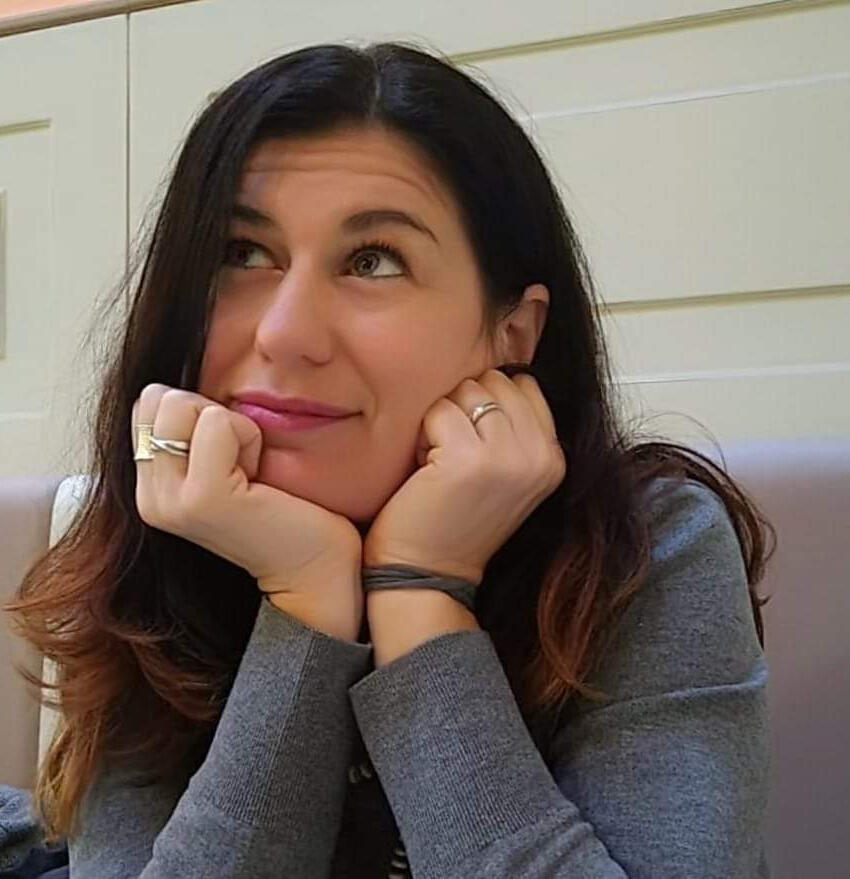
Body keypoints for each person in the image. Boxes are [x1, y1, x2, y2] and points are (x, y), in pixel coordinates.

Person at [3, 41, 775, 878]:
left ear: (512, 331)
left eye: (373, 261)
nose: (284, 332)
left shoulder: (643, 546)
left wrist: (421, 592)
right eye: (242, 253)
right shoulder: (160, 543)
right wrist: (305, 600)